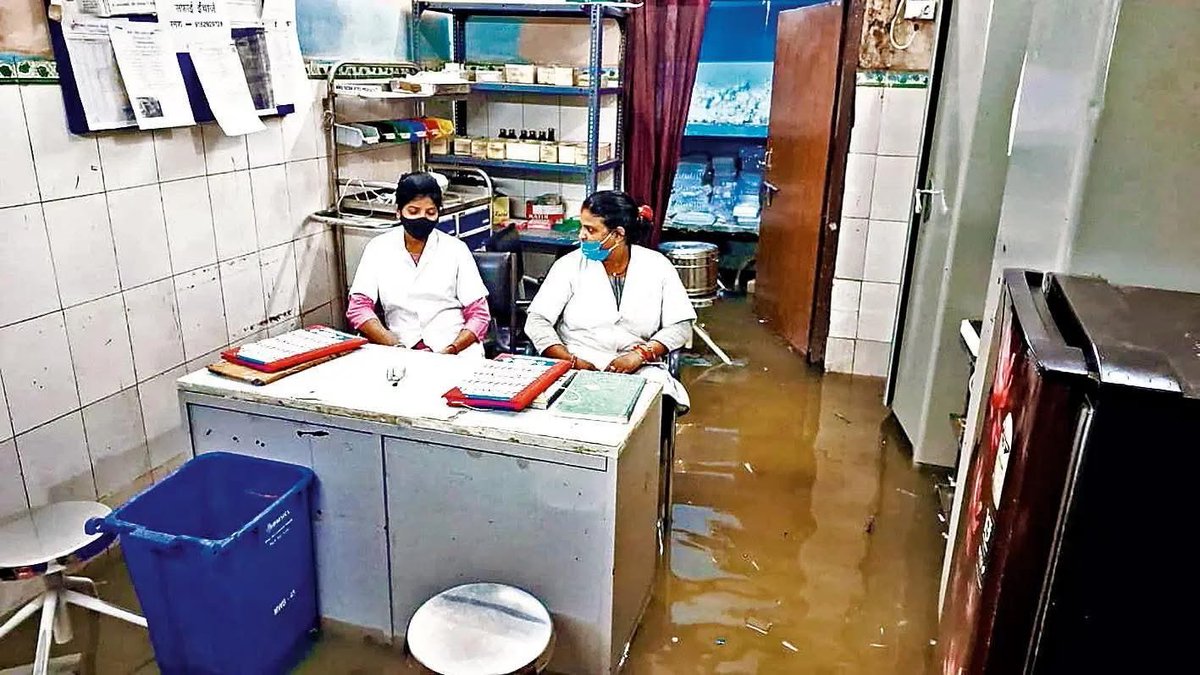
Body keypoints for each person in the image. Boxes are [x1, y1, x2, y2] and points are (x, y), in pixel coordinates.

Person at [525, 191, 697, 411]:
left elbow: (681, 326)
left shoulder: (657, 266)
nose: (581, 236)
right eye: (582, 227)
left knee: (649, 414)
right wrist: (570, 360)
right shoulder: (568, 266)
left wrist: (640, 355)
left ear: (618, 234)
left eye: (591, 229)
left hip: (639, 367)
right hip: (576, 364)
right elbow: (537, 321)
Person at [346, 172, 490, 357]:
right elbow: (358, 308)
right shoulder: (378, 248)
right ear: (399, 212)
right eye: (413, 211)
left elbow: (479, 314)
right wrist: (391, 342)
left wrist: (452, 349)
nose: (422, 218)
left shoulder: (456, 250)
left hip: (456, 349)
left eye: (430, 213)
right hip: (400, 349)